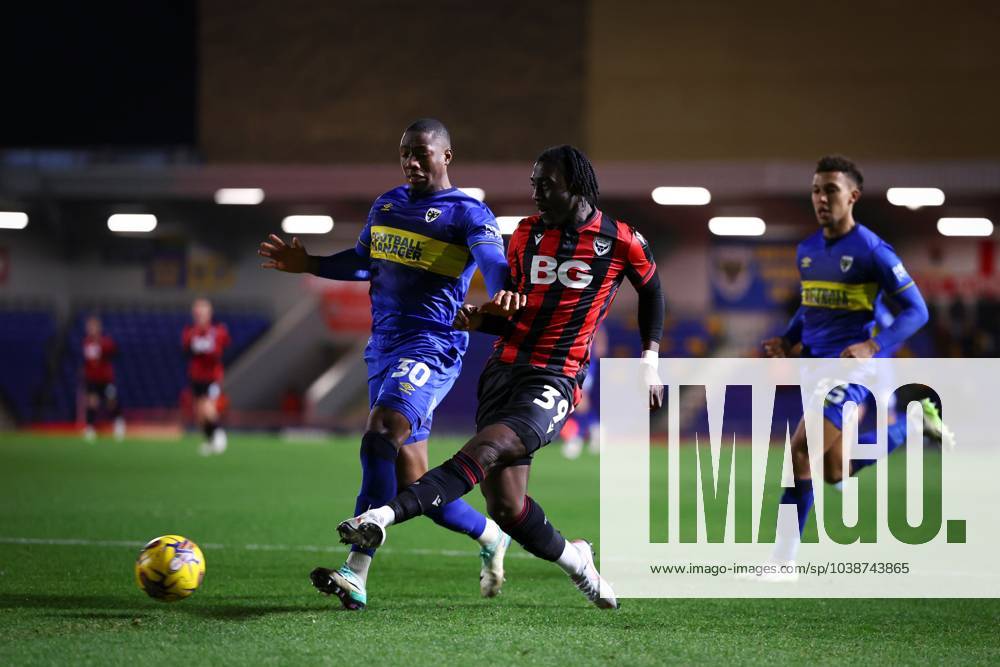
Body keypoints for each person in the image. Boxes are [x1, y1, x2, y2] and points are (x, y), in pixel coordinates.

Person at [336, 144, 665, 609]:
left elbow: (653, 292)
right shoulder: (526, 234)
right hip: (503, 369)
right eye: (533, 185)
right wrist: (478, 320)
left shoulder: (621, 240)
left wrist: (648, 361)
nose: (536, 195)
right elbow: (515, 312)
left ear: (573, 186)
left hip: (556, 376)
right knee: (507, 507)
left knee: (484, 450)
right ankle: (578, 561)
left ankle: (383, 516)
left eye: (545, 186)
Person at [258, 119, 512, 611]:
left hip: (432, 344)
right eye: (404, 154)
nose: (411, 163)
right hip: (384, 348)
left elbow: (492, 260)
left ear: (446, 156)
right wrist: (309, 264)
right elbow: (363, 261)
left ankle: (356, 570)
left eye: (421, 153)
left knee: (380, 431)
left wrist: (502, 289)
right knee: (415, 484)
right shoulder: (387, 204)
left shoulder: (468, 212)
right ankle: (490, 534)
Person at [759, 155, 938, 580]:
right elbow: (811, 304)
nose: (821, 198)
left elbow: (917, 311)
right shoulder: (807, 250)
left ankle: (782, 561)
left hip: (854, 371)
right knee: (835, 471)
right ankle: (912, 426)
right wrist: (788, 338)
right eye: (817, 190)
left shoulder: (872, 250)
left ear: (853, 196)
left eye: (831, 190)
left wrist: (872, 345)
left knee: (801, 450)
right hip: (814, 367)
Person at [182, 298, 231, 456]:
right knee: (200, 413)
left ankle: (219, 435)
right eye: (198, 312)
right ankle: (211, 440)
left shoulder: (218, 331)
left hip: (212, 375)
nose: (200, 315)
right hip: (196, 376)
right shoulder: (190, 332)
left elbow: (221, 348)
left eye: (203, 311)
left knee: (207, 406)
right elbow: (186, 350)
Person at [81, 315, 125, 441]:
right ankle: (89, 428)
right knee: (92, 402)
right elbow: (88, 361)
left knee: (111, 401)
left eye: (94, 326)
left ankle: (118, 423)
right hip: (92, 379)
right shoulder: (86, 342)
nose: (91, 329)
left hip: (106, 379)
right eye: (89, 326)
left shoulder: (105, 341)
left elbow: (113, 351)